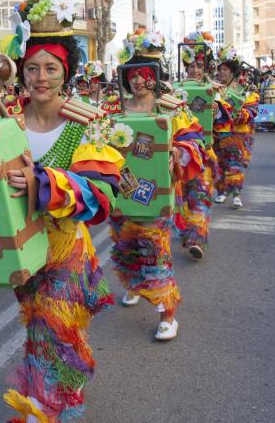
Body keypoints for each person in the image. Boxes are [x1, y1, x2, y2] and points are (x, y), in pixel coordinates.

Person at [0, 0, 122, 421]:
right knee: (40, 328)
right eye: (32, 68)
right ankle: (53, 391)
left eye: (51, 68)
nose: (41, 77)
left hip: (66, 251)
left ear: (66, 71)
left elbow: (101, 197)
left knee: (55, 327)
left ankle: (51, 409)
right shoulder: (5, 123)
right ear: (22, 72)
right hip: (23, 247)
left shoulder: (89, 123)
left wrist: (42, 181)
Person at [109, 29, 205, 343]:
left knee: (155, 250)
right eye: (132, 74)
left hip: (157, 193)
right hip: (122, 192)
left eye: (145, 74)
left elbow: (195, 142)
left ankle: (167, 313)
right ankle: (136, 286)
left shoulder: (172, 108)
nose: (138, 81)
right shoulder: (113, 110)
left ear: (156, 75)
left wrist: (177, 152)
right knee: (127, 245)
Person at [176, 34, 218, 259]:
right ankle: (187, 231)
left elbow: (223, 122)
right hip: (180, 154)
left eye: (199, 66)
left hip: (203, 154)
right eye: (190, 66)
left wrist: (216, 111)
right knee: (182, 198)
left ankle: (197, 239)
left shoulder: (213, 89)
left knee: (199, 196)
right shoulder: (173, 90)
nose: (194, 70)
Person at [213, 46, 258, 208]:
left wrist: (237, 115)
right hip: (217, 134)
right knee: (219, 163)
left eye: (224, 69)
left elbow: (252, 111)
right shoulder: (213, 89)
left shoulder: (244, 90)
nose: (221, 73)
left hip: (236, 134)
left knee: (235, 163)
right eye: (220, 70)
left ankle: (236, 193)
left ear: (232, 72)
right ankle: (221, 192)